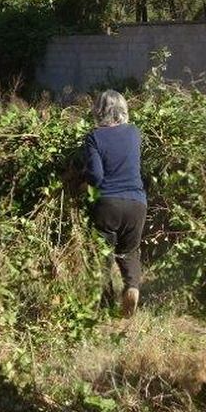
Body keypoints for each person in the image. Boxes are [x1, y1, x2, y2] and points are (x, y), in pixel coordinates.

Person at [82, 90, 147, 317]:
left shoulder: (94, 137)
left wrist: (82, 178)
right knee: (129, 251)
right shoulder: (134, 133)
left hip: (108, 203)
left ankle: (105, 304)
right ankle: (132, 287)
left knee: (102, 255)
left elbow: (96, 176)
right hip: (137, 203)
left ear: (99, 110)